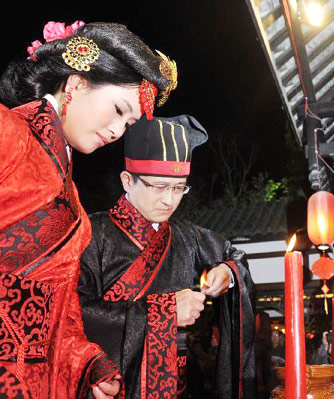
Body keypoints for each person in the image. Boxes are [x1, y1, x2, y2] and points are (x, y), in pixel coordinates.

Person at [0, 20, 175, 399]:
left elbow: (61, 311)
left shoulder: (75, 201)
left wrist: (87, 365)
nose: (116, 131)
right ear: (76, 84)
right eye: (117, 109)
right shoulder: (7, 132)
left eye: (127, 124)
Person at [77, 115, 256, 399]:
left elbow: (233, 257)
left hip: (178, 387)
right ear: (127, 180)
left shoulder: (187, 236)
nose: (169, 200)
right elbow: (72, 312)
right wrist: (166, 311)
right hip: (112, 386)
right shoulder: (89, 234)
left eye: (178, 188)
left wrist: (226, 274)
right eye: (158, 187)